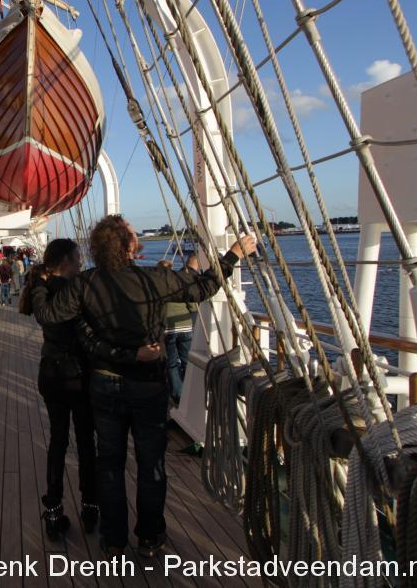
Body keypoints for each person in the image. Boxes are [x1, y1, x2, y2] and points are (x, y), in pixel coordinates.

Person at [29, 215, 256, 557]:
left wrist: (40, 281)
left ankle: (114, 540)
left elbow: (49, 315)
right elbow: (204, 287)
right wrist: (233, 255)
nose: (137, 237)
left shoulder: (84, 283)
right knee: (151, 463)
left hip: (104, 384)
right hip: (148, 387)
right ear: (127, 246)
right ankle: (150, 537)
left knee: (110, 462)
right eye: (133, 235)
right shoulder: (154, 279)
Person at [18, 239, 161, 540]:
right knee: (85, 441)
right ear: (66, 262)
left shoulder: (42, 289)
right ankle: (90, 505)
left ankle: (53, 510)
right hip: (78, 376)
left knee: (58, 440)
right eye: (77, 258)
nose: (81, 263)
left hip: (50, 374)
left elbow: (41, 313)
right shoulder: (76, 291)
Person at [157, 255, 199, 411]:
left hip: (168, 329)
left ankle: (178, 395)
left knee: (172, 363)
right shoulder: (178, 284)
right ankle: (192, 391)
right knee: (187, 360)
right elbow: (192, 305)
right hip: (185, 325)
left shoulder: (156, 288)